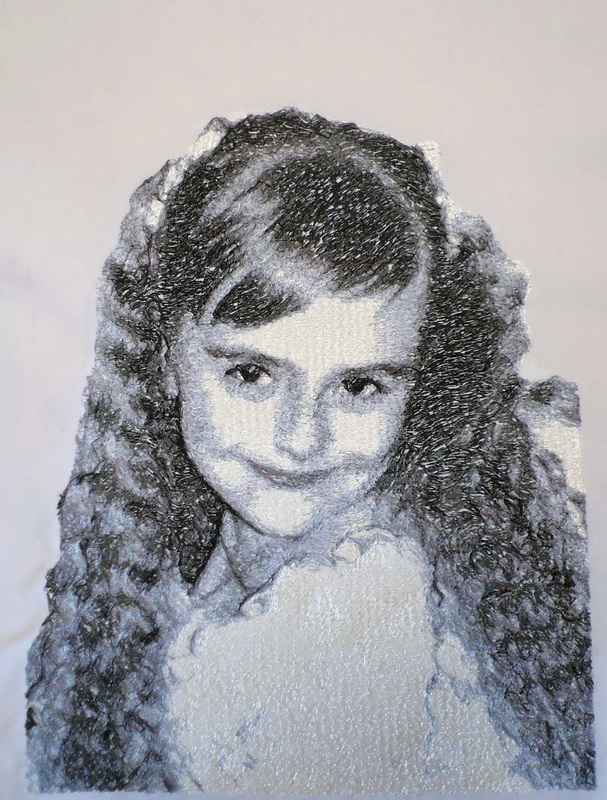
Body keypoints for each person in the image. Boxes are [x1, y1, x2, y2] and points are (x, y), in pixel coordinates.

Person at [26, 109, 594, 793]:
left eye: (358, 386)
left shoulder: (370, 622)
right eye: (250, 374)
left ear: (420, 380)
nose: (301, 438)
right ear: (166, 352)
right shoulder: (168, 582)